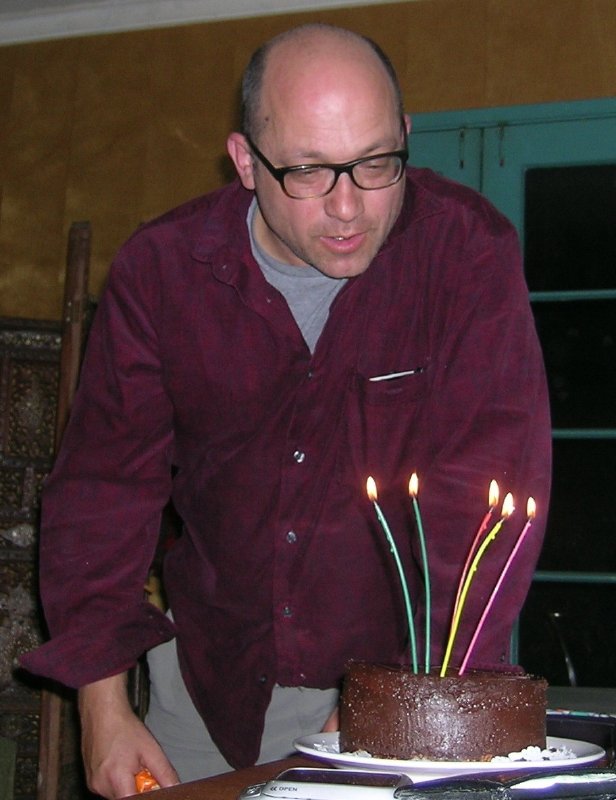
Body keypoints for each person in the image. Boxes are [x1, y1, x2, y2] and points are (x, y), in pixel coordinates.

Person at [22, 22, 552, 799]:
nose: (348, 207)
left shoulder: (465, 254)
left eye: (376, 163)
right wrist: (100, 704)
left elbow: (481, 502)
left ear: (406, 137)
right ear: (245, 162)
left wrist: (388, 701)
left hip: (414, 682)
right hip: (209, 692)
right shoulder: (162, 273)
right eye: (307, 171)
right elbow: (104, 490)